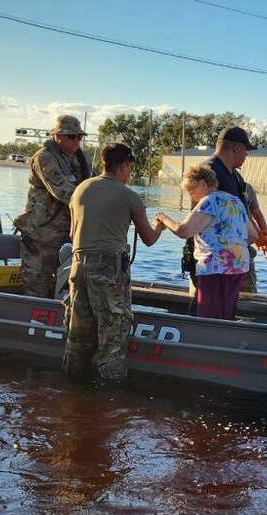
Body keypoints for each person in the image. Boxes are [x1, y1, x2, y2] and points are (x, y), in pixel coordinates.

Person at [62, 143, 163, 380]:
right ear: (124, 165)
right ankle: (111, 400)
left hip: (77, 269)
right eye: (130, 168)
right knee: (112, 342)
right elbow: (148, 238)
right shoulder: (128, 195)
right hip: (108, 271)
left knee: (77, 338)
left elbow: (72, 233)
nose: (130, 174)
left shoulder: (81, 189)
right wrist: (160, 224)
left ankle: (71, 394)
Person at [157, 164, 256, 320]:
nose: (191, 195)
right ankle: (225, 340)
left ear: (203, 184)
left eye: (191, 190)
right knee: (226, 312)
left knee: (209, 315)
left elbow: (184, 231)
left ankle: (209, 338)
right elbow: (253, 235)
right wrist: (232, 244)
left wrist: (163, 218)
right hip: (238, 265)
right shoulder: (235, 201)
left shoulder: (209, 202)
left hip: (215, 265)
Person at [181, 126, 267, 292]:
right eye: (246, 150)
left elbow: (244, 213)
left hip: (234, 258)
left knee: (239, 306)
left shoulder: (235, 175)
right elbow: (195, 215)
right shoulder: (207, 173)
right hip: (214, 262)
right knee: (208, 307)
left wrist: (262, 238)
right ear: (237, 148)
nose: (246, 155)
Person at [15, 115, 93, 298]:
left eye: (79, 137)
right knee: (37, 287)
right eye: (71, 137)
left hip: (67, 236)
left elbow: (93, 185)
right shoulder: (44, 158)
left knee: (65, 287)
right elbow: (64, 192)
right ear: (57, 136)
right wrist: (97, 205)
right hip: (40, 234)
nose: (77, 141)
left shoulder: (82, 160)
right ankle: (30, 322)